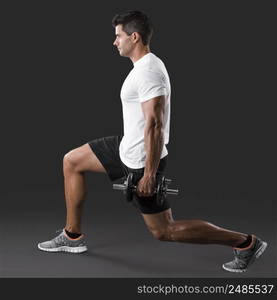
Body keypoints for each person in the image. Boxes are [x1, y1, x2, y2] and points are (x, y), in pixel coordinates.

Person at [38, 10, 267, 273]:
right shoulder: (143, 67)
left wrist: (149, 173)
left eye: (118, 36)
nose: (115, 42)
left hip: (141, 162)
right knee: (72, 161)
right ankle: (72, 235)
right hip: (125, 148)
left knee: (164, 231)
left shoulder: (149, 72)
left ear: (134, 37)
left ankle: (245, 243)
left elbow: (155, 126)